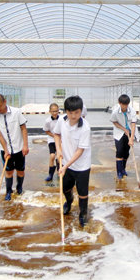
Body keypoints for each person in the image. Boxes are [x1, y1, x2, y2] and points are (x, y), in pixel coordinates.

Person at [54, 96, 91, 227]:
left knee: (82, 192)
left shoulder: (85, 128)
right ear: (65, 111)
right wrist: (58, 149)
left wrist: (66, 166)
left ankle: (83, 213)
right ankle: (69, 202)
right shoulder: (61, 120)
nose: (73, 116)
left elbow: (80, 151)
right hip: (66, 163)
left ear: (81, 111)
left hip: (81, 166)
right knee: (65, 188)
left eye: (76, 112)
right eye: (70, 112)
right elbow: (56, 134)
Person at [0, 94, 29, 201]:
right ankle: (8, 191)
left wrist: (25, 145)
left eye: (0, 106)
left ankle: (19, 187)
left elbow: (23, 129)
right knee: (8, 172)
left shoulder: (16, 112)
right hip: (6, 150)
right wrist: (6, 150)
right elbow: (0, 134)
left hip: (19, 148)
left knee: (20, 170)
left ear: (5, 102)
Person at [110, 94, 138, 180]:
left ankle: (123, 169)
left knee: (126, 153)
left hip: (130, 132)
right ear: (119, 103)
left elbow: (133, 125)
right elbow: (114, 122)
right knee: (119, 151)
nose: (125, 106)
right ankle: (119, 172)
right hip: (119, 132)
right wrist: (123, 129)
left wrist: (131, 138)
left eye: (126, 104)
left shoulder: (132, 111)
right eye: (123, 104)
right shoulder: (115, 112)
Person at [43, 103, 60, 182]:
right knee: (52, 156)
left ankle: (60, 173)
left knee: (59, 157)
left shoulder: (62, 119)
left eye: (56, 111)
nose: (55, 113)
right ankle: (50, 174)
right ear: (50, 111)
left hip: (60, 140)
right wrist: (54, 136)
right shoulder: (47, 121)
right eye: (53, 111)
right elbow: (46, 131)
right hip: (52, 140)